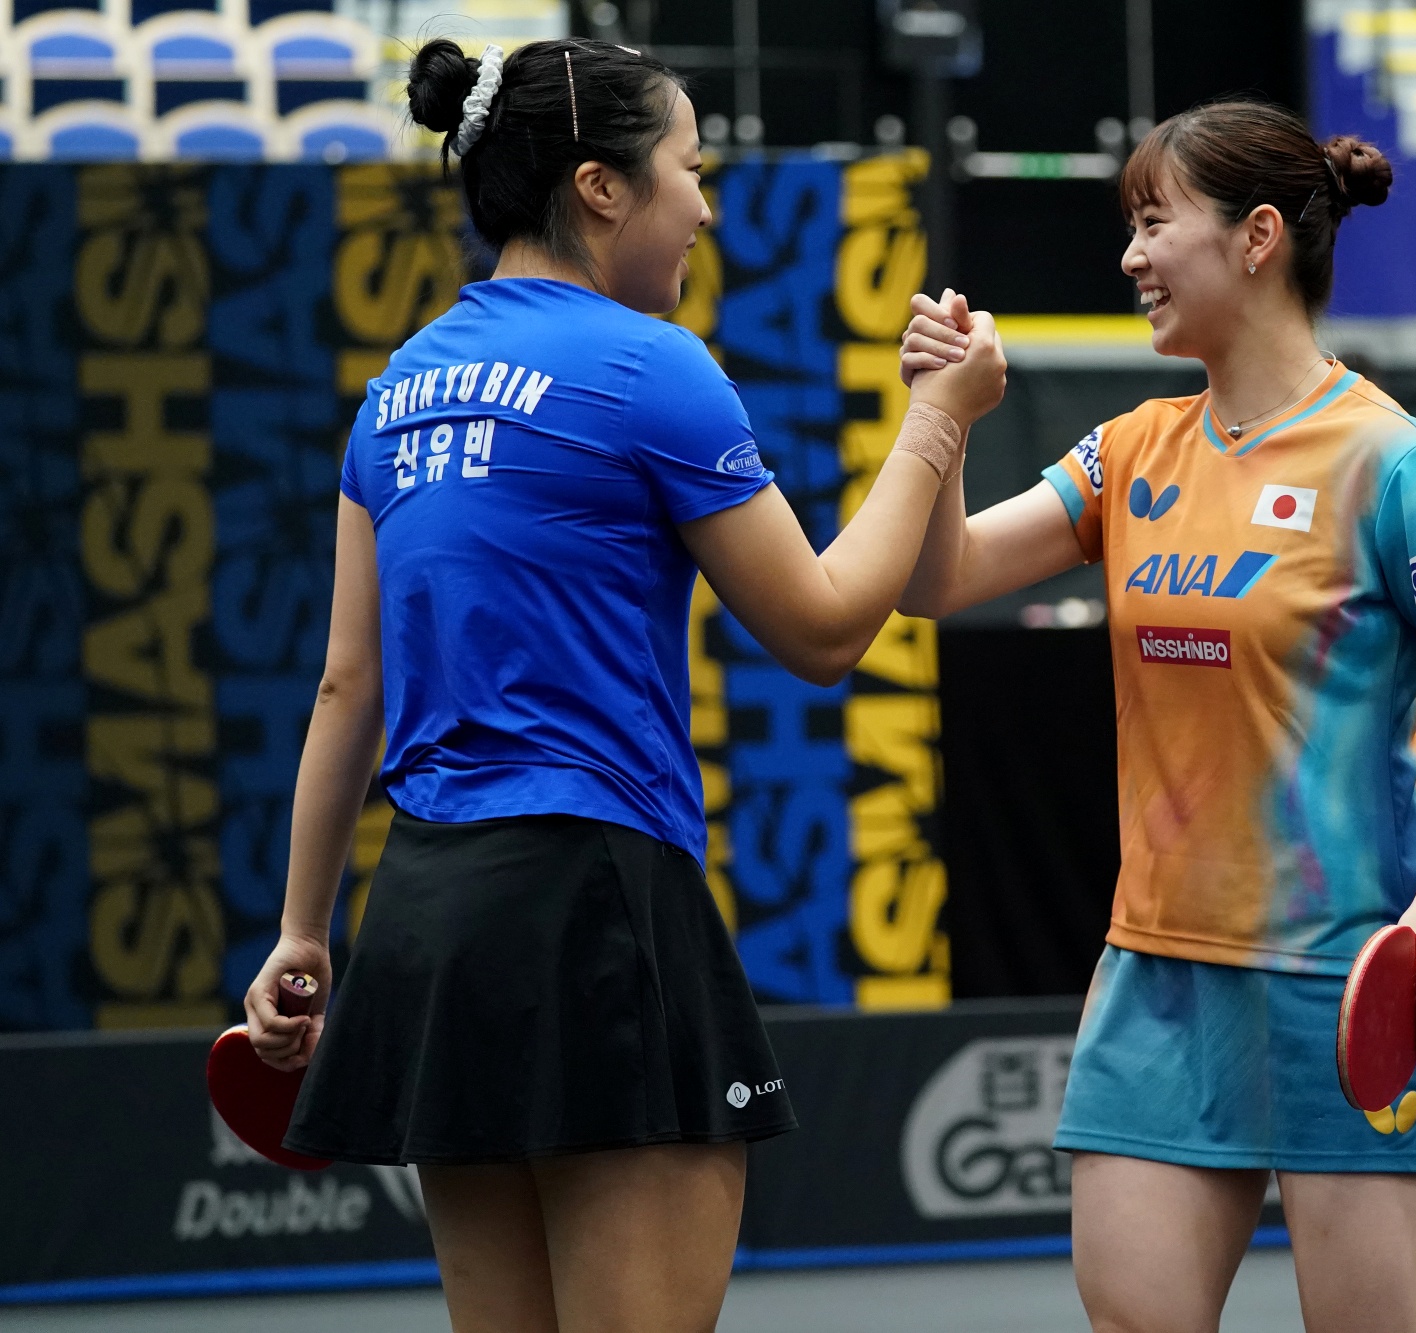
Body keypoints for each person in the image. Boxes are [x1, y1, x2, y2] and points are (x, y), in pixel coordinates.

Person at [242, 38, 1005, 1333]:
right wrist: (937, 422)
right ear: (601, 186)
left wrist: (302, 931)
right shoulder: (652, 366)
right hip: (590, 902)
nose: (704, 205)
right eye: (689, 169)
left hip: (424, 918)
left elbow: (344, 687)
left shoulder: (396, 391)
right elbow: (824, 631)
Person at [897, 101, 1416, 1333]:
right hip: (1158, 981)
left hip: (1346, 977)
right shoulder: (1129, 453)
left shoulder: (1395, 466)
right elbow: (936, 580)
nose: (1129, 256)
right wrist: (943, 417)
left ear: (1256, 237)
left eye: (1154, 222)